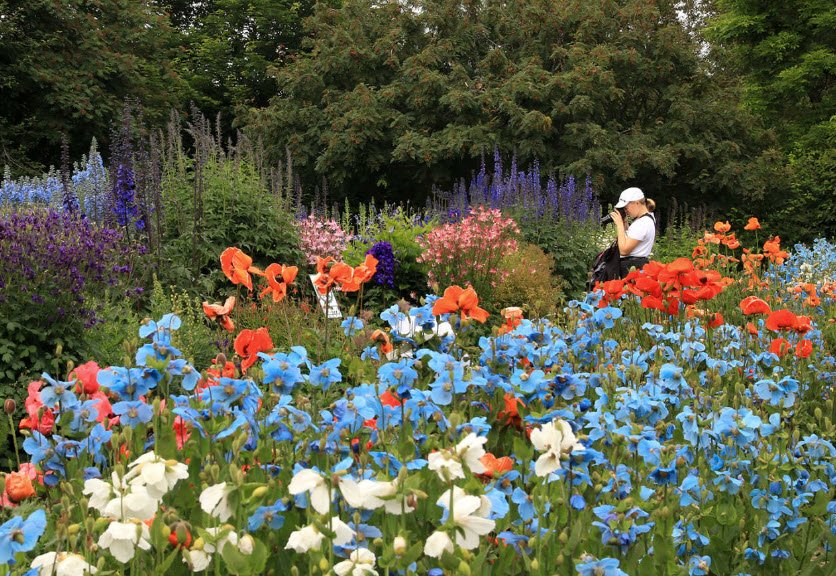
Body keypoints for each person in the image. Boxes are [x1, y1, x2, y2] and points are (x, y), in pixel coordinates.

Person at [609, 187, 656, 278]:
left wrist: (619, 224)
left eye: (626, 207)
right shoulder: (645, 219)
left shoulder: (643, 223)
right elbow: (631, 238)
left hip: (633, 268)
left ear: (636, 203)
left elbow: (624, 250)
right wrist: (625, 224)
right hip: (635, 266)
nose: (625, 210)